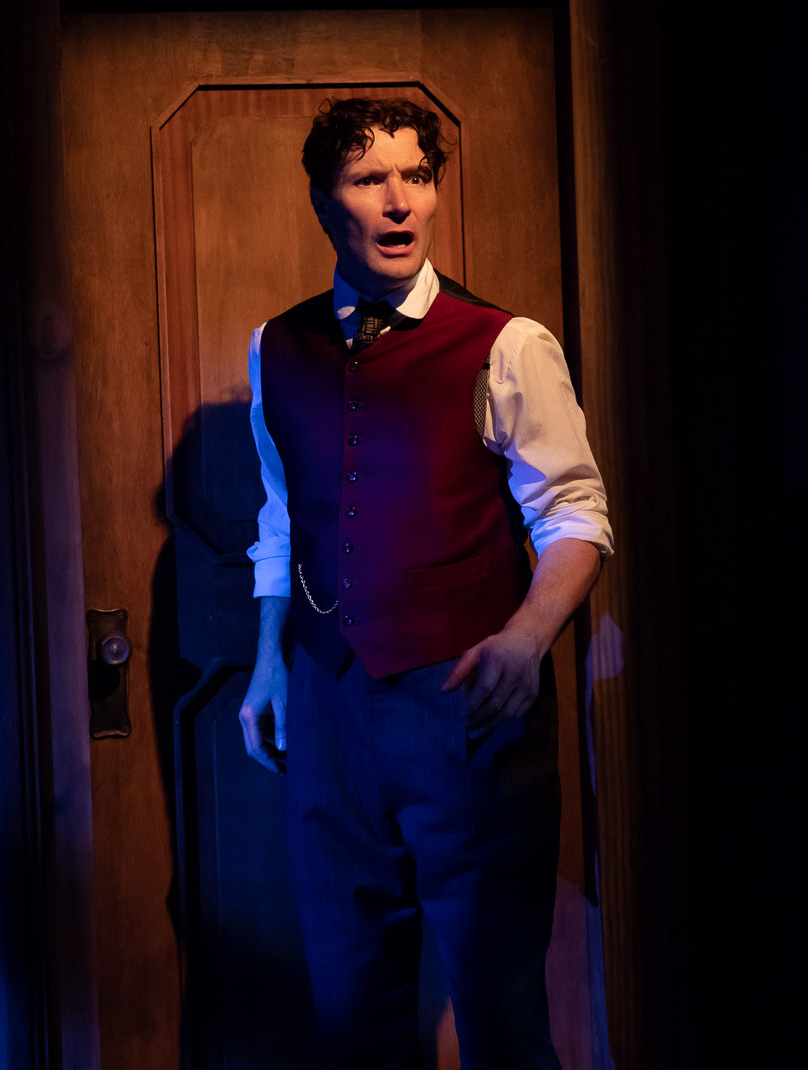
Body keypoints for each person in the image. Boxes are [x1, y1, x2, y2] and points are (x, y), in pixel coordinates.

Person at [237, 96, 614, 1069]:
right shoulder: (276, 345)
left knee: (500, 1017)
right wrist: (269, 663)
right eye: (370, 179)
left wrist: (526, 638)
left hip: (465, 709)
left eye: (417, 176)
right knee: (351, 1012)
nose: (399, 201)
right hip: (329, 708)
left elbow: (575, 514)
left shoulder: (506, 342)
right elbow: (282, 516)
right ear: (325, 203)